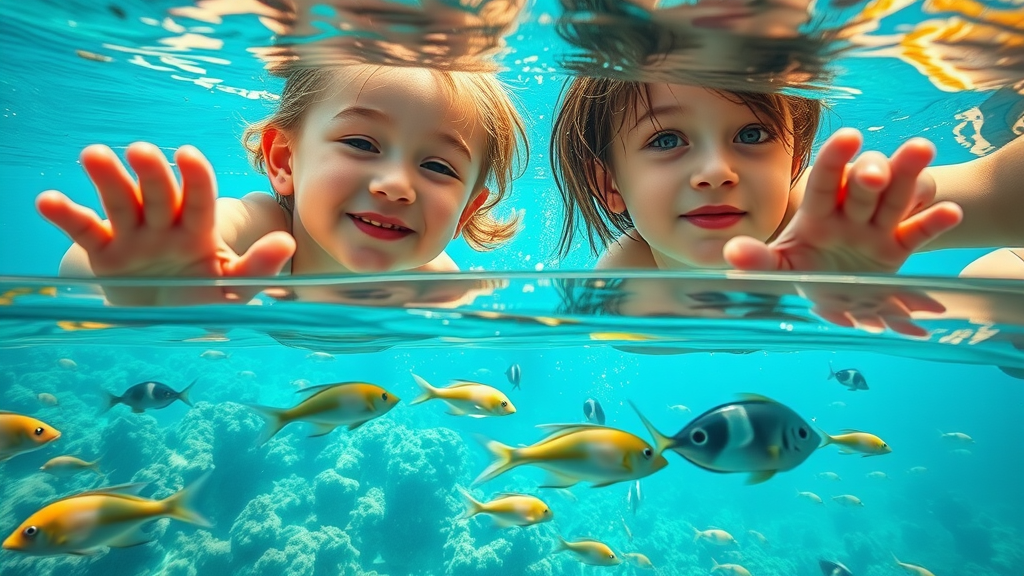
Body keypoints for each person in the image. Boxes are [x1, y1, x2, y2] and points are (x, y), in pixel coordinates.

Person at [35, 63, 528, 305]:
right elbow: (77, 270)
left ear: (466, 211)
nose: (396, 185)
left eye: (440, 167)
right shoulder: (259, 231)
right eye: (361, 143)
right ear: (285, 160)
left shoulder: (444, 289)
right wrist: (143, 279)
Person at [549, 77, 975, 274]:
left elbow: (998, 183)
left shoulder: (830, 217)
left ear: (794, 163)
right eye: (666, 140)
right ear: (610, 185)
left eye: (752, 134)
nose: (716, 172)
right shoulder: (620, 285)